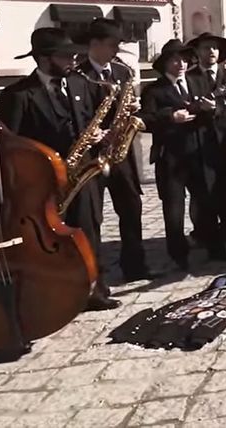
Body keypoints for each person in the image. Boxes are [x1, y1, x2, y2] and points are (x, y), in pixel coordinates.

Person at [0, 28, 118, 311]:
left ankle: (94, 289)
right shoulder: (18, 94)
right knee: (51, 237)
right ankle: (55, 292)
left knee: (88, 231)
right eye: (65, 56)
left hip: (82, 172)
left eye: (74, 55)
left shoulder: (79, 83)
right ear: (43, 58)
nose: (73, 60)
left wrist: (99, 135)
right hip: (44, 178)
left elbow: (93, 118)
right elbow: (9, 142)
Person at [139, 40, 226, 269]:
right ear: (165, 64)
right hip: (171, 157)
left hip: (198, 152)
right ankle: (179, 256)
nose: (181, 64)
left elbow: (216, 108)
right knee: (174, 208)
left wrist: (211, 109)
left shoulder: (197, 82)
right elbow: (145, 119)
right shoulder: (154, 90)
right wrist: (170, 116)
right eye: (175, 60)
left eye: (184, 60)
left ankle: (215, 248)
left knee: (207, 203)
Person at [75, 19, 151, 281]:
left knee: (131, 207)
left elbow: (126, 104)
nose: (116, 50)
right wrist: (95, 133)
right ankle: (96, 272)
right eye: (112, 45)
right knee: (93, 216)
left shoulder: (121, 72)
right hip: (92, 155)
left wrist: (131, 109)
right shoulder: (78, 75)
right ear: (94, 44)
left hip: (120, 152)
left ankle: (135, 265)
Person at [185, 31, 226, 244]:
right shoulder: (189, 77)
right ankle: (202, 232)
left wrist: (218, 109)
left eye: (215, 48)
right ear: (198, 52)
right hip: (198, 142)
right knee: (201, 190)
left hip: (224, 139)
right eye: (206, 47)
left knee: (225, 187)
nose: (211, 51)